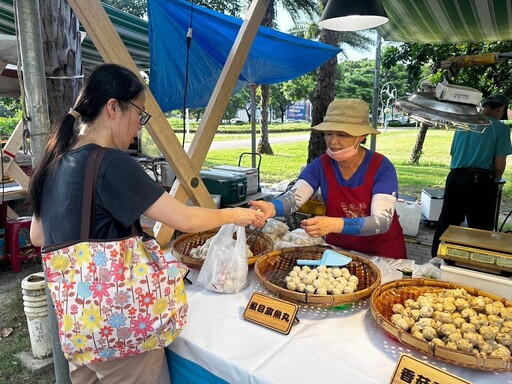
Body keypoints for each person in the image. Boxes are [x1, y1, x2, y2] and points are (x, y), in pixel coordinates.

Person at [28, 63, 264, 384]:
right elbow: (183, 218)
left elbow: (39, 236)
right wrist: (237, 215)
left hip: (81, 330)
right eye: (140, 114)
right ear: (114, 107)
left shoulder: (52, 163)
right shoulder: (109, 162)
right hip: (121, 333)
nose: (140, 126)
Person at [251, 98, 407, 259]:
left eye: (342, 134)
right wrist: (272, 207)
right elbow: (293, 199)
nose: (333, 141)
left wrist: (334, 224)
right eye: (329, 133)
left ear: (362, 135)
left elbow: (381, 222)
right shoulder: (320, 166)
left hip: (382, 252)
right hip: (338, 250)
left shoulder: (381, 167)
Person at [431, 93, 512, 257]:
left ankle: (436, 259)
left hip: (454, 177)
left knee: (447, 223)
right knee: (480, 229)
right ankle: (476, 263)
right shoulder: (500, 128)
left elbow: (453, 153)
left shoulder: (463, 124)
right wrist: (494, 181)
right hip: (479, 180)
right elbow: (499, 164)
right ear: (502, 108)